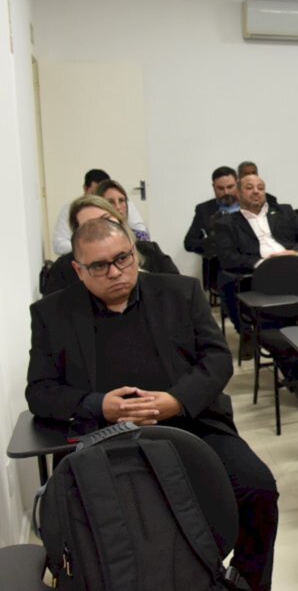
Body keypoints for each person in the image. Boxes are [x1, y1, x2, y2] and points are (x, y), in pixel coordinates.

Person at [27, 217, 278, 591]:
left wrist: (176, 400)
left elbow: (216, 359)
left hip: (191, 425)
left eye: (123, 258)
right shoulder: (52, 314)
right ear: (79, 270)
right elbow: (40, 391)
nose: (115, 272)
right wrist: (99, 406)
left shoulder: (180, 292)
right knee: (109, 518)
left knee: (258, 488)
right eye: (99, 266)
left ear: (134, 252)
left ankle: (245, 583)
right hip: (102, 440)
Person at [213, 174, 298, 344]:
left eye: (260, 188)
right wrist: (263, 264)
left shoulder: (284, 212)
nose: (256, 192)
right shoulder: (227, 223)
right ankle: (249, 332)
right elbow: (227, 257)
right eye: (249, 188)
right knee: (226, 279)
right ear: (238, 193)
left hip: (293, 267)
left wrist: (294, 253)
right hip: (258, 273)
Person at [43, 195, 179, 295]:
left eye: (106, 219)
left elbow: (177, 292)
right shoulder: (63, 269)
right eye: (91, 225)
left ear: (118, 219)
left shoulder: (149, 251)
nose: (103, 229)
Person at [52, 168, 148, 255]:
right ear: (85, 189)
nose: (97, 200)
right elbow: (59, 245)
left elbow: (142, 233)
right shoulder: (70, 209)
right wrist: (92, 246)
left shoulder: (121, 202)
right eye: (94, 193)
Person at [184, 165, 239, 255]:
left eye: (230, 187)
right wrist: (213, 242)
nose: (226, 192)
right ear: (213, 187)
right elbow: (189, 243)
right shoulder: (204, 210)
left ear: (238, 184)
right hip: (218, 262)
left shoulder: (250, 206)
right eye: (221, 188)